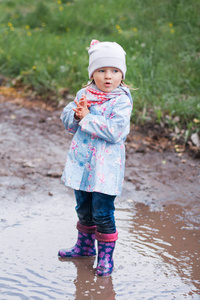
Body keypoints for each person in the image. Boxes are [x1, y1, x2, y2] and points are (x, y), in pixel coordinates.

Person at [58, 39, 133, 277]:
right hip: (82, 165)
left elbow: (115, 132)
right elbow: (68, 120)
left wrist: (88, 117)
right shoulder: (84, 94)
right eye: (101, 70)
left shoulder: (121, 100)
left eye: (114, 71)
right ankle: (85, 247)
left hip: (105, 169)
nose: (108, 76)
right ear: (92, 74)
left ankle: (105, 258)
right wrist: (76, 115)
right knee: (83, 208)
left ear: (122, 74)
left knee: (102, 212)